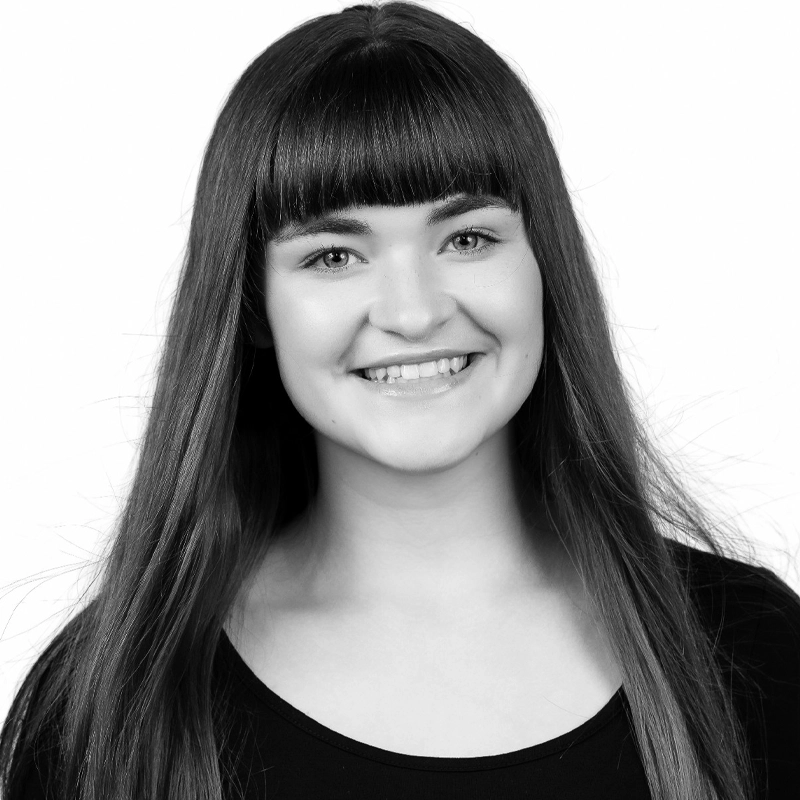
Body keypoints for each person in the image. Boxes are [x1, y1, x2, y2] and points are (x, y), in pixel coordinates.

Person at [2, 2, 798, 798]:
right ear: (252, 306)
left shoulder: (755, 653)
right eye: (335, 255)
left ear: (544, 265)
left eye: (467, 239)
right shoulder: (105, 704)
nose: (414, 312)